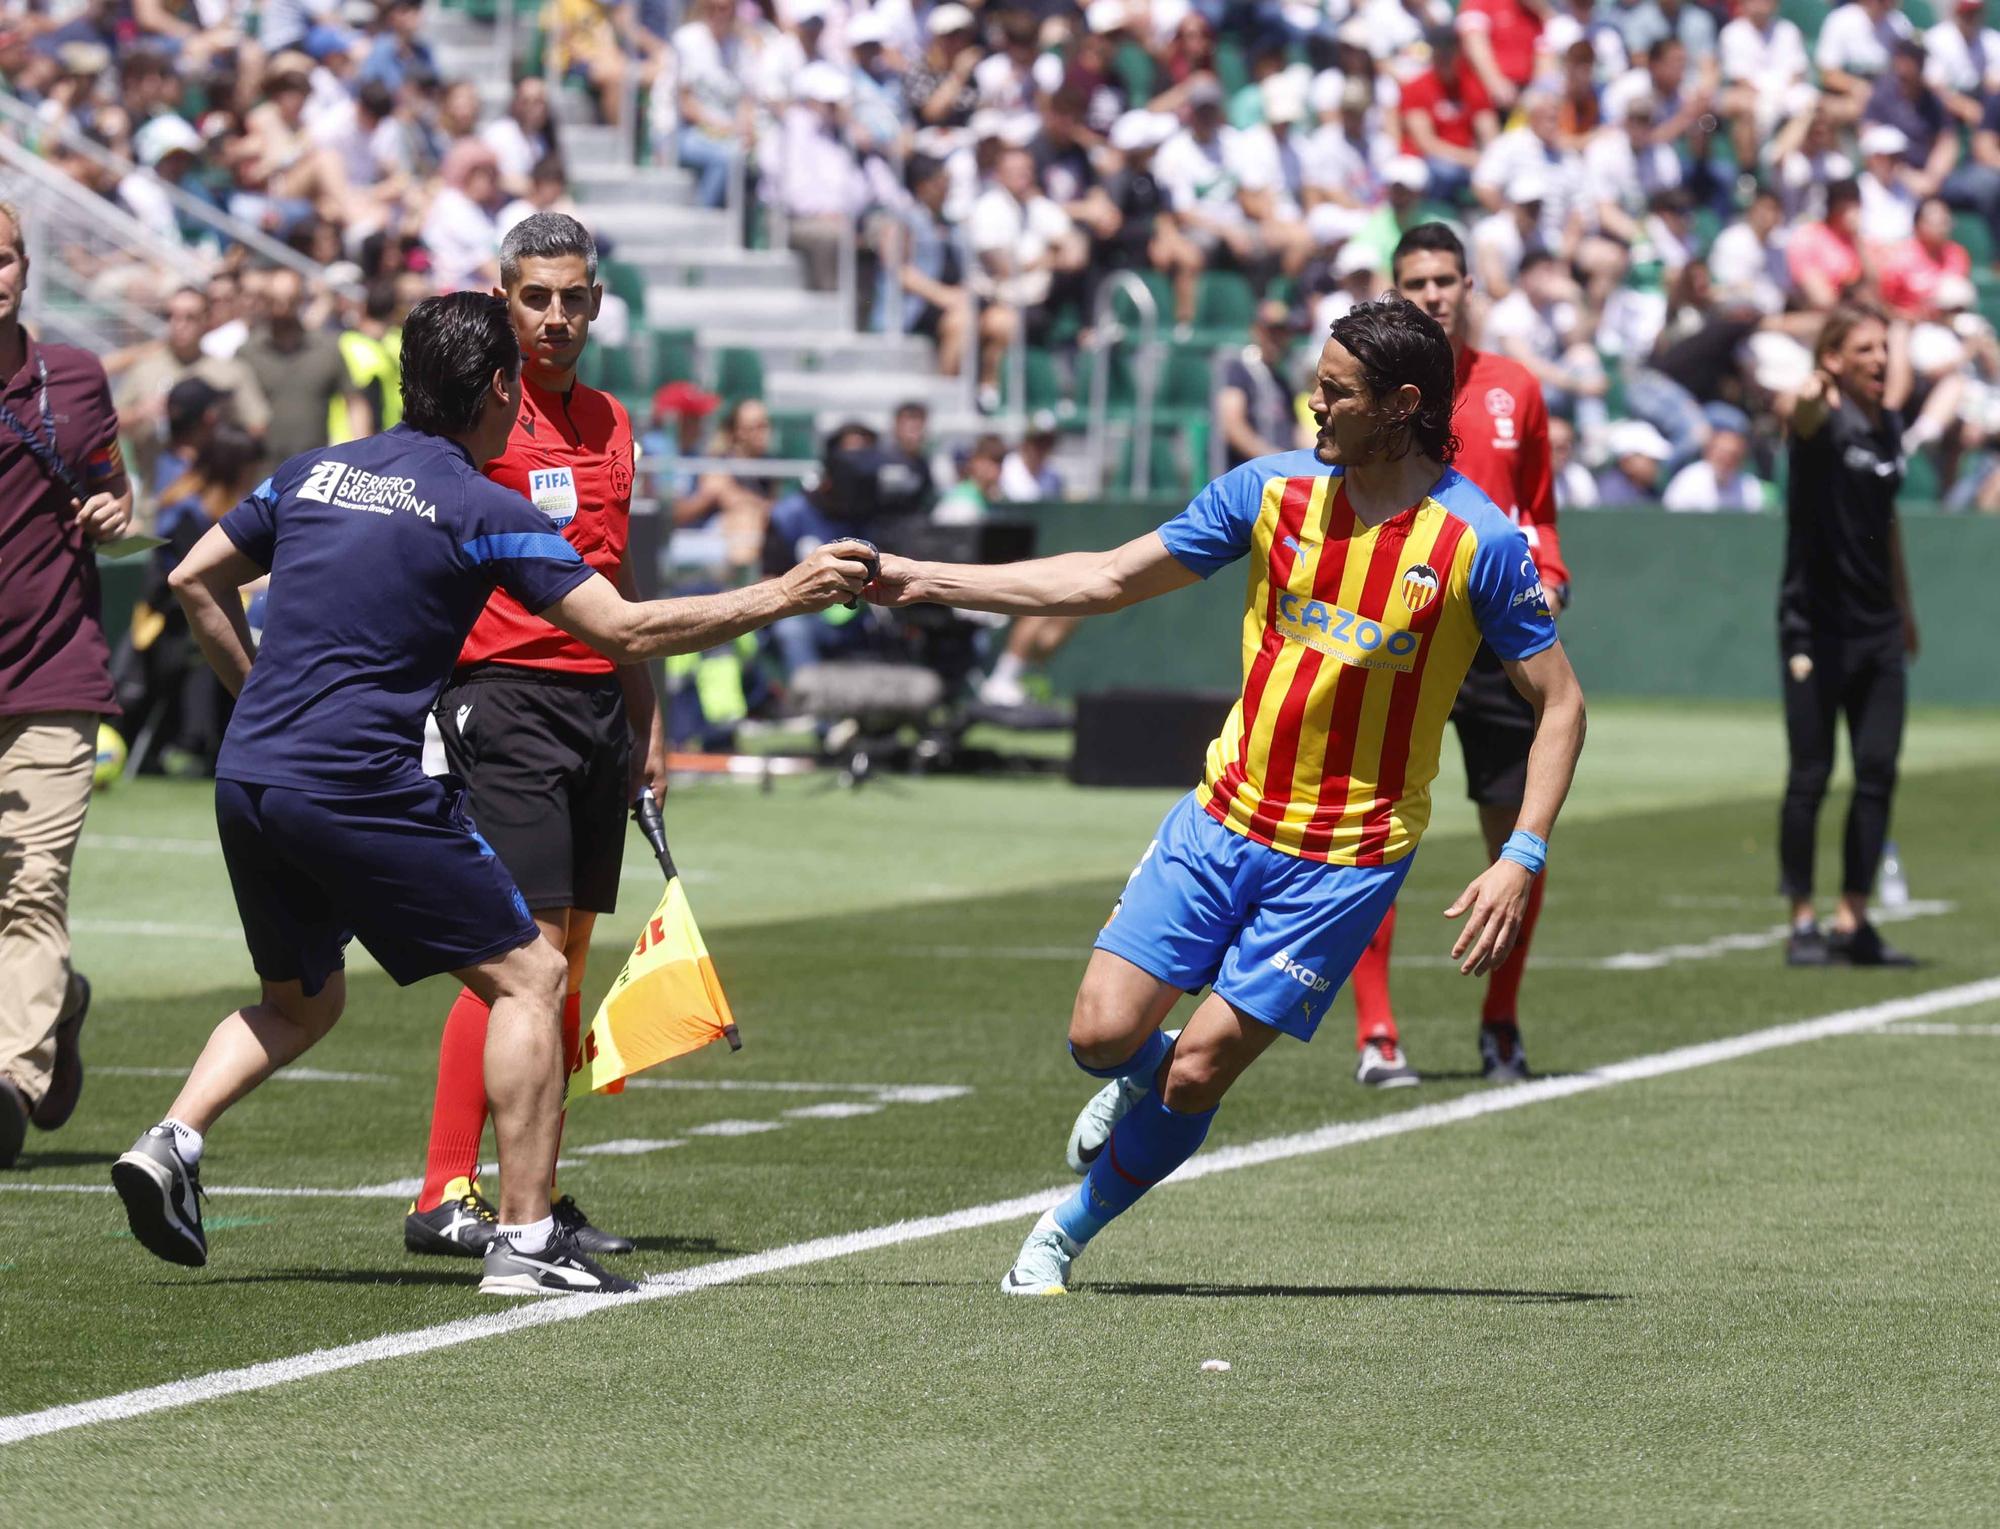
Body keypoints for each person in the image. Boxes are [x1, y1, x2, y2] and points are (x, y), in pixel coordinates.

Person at [109, 290, 874, 1292]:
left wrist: (256, 700)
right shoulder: (478, 505)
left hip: (252, 773)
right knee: (531, 975)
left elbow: (195, 579)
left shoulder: (317, 470)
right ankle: (522, 1238)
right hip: (355, 780)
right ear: (504, 389)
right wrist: (783, 592)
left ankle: (173, 1138)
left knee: (300, 1002)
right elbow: (623, 631)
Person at [866, 295, 1584, 1295]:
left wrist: (1521, 852)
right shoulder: (1267, 492)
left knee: (1199, 1071)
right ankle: (1138, 1074)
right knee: (1097, 1036)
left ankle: (1061, 1236)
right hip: (1220, 819)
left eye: (1333, 392)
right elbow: (1104, 579)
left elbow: (1559, 703)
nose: (1310, 405)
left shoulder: (1478, 543)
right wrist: (924, 578)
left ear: (1399, 404)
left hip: (1344, 859)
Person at [399, 214, 670, 1259]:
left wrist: (648, 719)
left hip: (598, 704)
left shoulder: (609, 418)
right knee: (520, 958)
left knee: (563, 957)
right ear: (501, 299)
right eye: (535, 297)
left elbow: (620, 577)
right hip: (502, 696)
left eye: (573, 298)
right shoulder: (475, 423)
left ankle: (531, 1192)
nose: (555, 317)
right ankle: (440, 1190)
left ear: (596, 303)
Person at [1344, 223, 1569, 1088]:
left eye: (1445, 279)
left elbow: (1540, 511)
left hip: (1498, 641)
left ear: (1468, 285)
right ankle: (1377, 1033)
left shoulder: (1516, 387)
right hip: (1399, 634)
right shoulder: (1369, 394)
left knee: (1518, 833)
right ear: (1395, 291)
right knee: (1366, 831)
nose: (1433, 294)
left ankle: (1500, 1021)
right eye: (1416, 282)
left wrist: (1550, 574)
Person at [0, 200, 134, 1166]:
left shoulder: (75, 378)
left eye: (2, 258)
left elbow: (111, 484)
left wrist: (113, 509)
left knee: (31, 885)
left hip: (53, 667)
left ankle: (10, 1080)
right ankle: (60, 1005)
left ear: (24, 269)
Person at [1774, 305, 1919, 968]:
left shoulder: (1886, 422)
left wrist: (1905, 605)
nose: (1880, 359)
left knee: (1878, 771)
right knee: (1811, 773)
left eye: (1883, 349)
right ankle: (1802, 918)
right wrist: (1807, 394)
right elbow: (1799, 420)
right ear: (1834, 358)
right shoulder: (1821, 418)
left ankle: (1852, 918)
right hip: (1815, 625)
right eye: (1865, 349)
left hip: (1878, 626)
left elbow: (1886, 523)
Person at [238, 267, 360, 469]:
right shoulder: (248, 352)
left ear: (301, 301)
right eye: (274, 301)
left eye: (289, 300)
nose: (282, 309)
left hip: (312, 470)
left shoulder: (327, 349)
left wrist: (359, 455)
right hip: (259, 471)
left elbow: (354, 403)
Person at [1663, 417, 1767, 512]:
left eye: (1733, 456)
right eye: (1721, 455)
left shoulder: (1750, 487)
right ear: (1709, 454)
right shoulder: (1689, 479)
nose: (1726, 460)